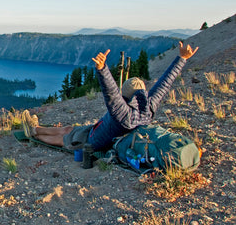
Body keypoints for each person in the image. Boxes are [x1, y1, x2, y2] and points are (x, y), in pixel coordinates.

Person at [22, 41, 198, 151]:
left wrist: (102, 69)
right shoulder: (148, 108)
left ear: (126, 95)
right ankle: (36, 128)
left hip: (97, 140)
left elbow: (110, 91)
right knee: (69, 129)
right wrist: (182, 59)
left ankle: (35, 135)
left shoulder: (123, 113)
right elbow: (164, 84)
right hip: (100, 129)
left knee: (65, 139)